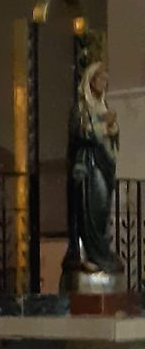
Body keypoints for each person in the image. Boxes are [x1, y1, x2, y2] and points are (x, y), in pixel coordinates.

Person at [65, 61, 121, 275]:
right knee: (91, 208)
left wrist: (112, 129)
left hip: (104, 164)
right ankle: (88, 254)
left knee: (102, 210)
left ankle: (101, 252)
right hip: (89, 165)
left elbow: (112, 136)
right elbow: (79, 133)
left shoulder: (103, 105)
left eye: (106, 80)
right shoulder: (81, 107)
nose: (104, 83)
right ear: (91, 80)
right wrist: (102, 128)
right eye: (100, 79)